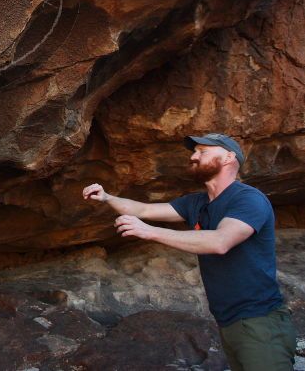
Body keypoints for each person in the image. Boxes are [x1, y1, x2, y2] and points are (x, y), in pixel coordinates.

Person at [83, 133, 296, 371]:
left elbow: (220, 241)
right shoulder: (197, 203)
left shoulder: (249, 200)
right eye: (194, 151)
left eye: (202, 151)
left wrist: (149, 232)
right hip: (228, 322)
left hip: (260, 322)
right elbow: (143, 208)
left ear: (228, 157)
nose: (194, 156)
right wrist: (106, 197)